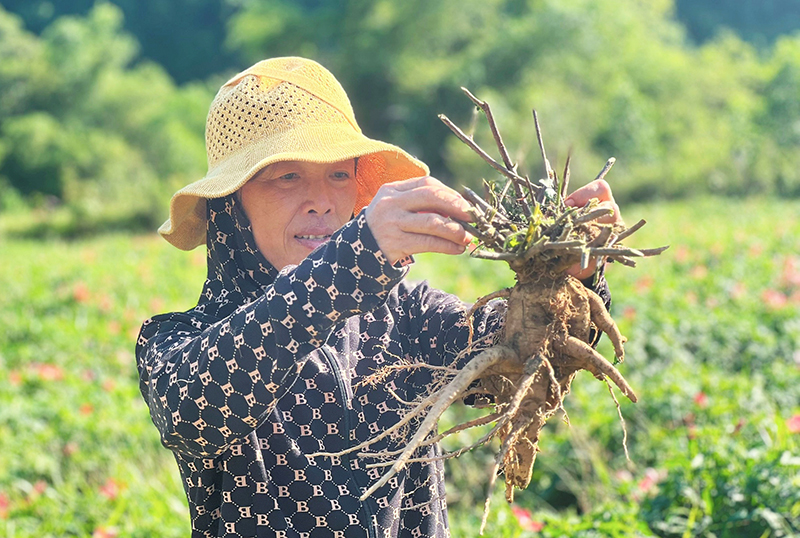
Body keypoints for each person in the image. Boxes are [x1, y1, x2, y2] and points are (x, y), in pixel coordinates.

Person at [135, 57, 621, 538]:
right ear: (229, 204)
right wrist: (355, 259)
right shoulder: (179, 344)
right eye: (287, 177)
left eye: (339, 175)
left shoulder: (407, 315)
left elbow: (521, 358)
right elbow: (196, 411)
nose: (322, 200)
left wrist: (564, 282)